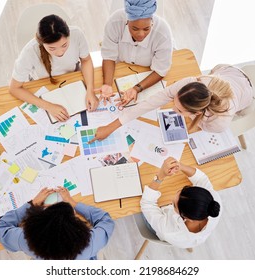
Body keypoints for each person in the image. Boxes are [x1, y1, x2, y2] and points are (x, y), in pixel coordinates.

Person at [89, 64, 254, 143]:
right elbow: (153, 101)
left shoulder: (219, 123)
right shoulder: (190, 82)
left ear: (197, 113)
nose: (173, 110)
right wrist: (111, 126)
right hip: (228, 70)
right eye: (175, 103)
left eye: (180, 110)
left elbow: (199, 128)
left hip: (246, 93)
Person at [10, 14, 99, 122]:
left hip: (71, 79)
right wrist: (48, 106)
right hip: (43, 85)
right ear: (42, 43)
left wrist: (90, 90)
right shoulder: (29, 51)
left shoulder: (76, 34)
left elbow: (86, 60)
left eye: (64, 45)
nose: (60, 52)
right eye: (52, 48)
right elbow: (14, 88)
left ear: (69, 35)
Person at [0, 187, 114, 260]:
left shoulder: (25, 239)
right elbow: (106, 221)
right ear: (77, 225)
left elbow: (1, 229)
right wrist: (74, 203)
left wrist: (31, 204)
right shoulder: (90, 243)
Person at [98, 0, 173, 105]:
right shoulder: (114, 22)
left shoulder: (163, 32)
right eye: (135, 28)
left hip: (147, 73)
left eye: (146, 29)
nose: (141, 34)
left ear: (152, 22)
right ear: (127, 21)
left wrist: (137, 89)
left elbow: (161, 70)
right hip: (120, 67)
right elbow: (109, 57)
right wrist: (107, 84)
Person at [140, 157, 221, 248]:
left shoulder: (169, 231)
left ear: (186, 218)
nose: (171, 200)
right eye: (182, 190)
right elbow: (201, 179)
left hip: (158, 225)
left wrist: (160, 176)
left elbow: (147, 204)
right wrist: (180, 166)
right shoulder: (213, 201)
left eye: (174, 205)